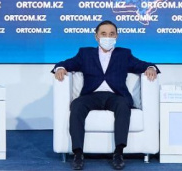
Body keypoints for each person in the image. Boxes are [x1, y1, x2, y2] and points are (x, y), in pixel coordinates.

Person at [53, 20, 159, 170]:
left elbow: (143, 65)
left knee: (123, 105)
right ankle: (78, 153)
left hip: (115, 96)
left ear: (116, 36)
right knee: (76, 105)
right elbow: (66, 63)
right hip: (91, 95)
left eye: (111, 34)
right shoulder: (85, 53)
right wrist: (60, 68)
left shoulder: (124, 54)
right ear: (96, 36)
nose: (107, 37)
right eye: (103, 34)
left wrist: (151, 68)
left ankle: (118, 153)